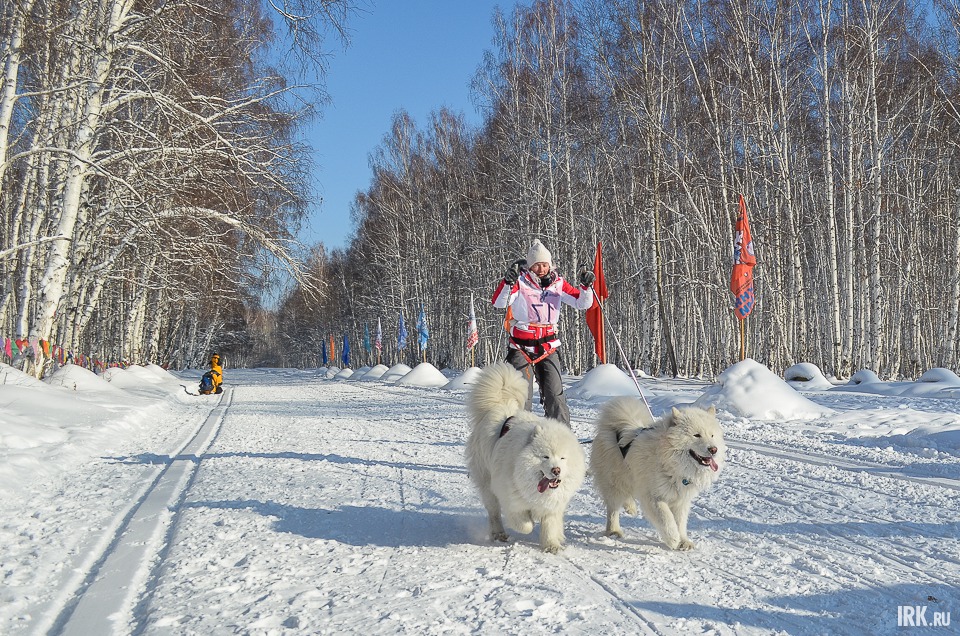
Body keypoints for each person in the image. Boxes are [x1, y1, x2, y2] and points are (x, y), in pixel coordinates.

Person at [491, 239, 595, 426]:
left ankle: (561, 433)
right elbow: (499, 302)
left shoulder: (558, 284)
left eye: (545, 264)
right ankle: (517, 433)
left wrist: (586, 288)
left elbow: (582, 303)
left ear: (550, 265)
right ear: (530, 266)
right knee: (522, 395)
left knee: (554, 393)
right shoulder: (520, 283)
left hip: (548, 346)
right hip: (521, 346)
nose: (541, 269)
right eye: (537, 265)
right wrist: (507, 283)